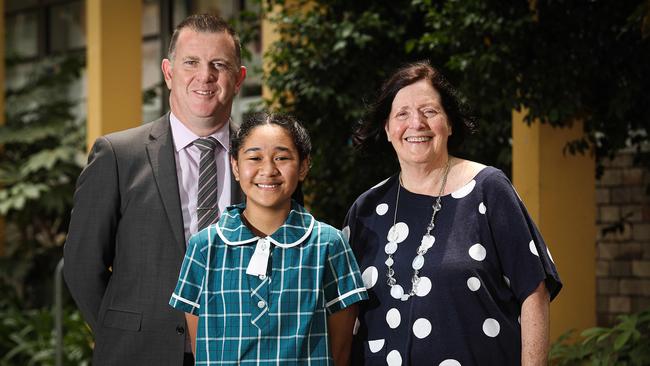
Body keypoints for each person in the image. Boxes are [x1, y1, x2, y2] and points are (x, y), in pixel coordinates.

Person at [344, 61, 562, 366]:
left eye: (429, 112)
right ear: (388, 129)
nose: (416, 123)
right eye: (402, 114)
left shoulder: (488, 189)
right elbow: (345, 316)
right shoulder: (365, 209)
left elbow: (534, 291)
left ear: (449, 123)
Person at [64, 14, 247, 366]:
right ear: (168, 72)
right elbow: (81, 265)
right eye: (190, 62)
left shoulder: (262, 159)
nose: (204, 76)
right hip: (140, 354)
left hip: (242, 353)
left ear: (238, 79)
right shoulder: (118, 156)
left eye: (219, 65)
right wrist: (119, 334)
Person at [169, 112, 368, 365]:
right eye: (254, 157)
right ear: (235, 166)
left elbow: (340, 354)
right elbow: (203, 349)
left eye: (282, 157)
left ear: (304, 165)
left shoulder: (329, 244)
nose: (268, 170)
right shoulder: (204, 247)